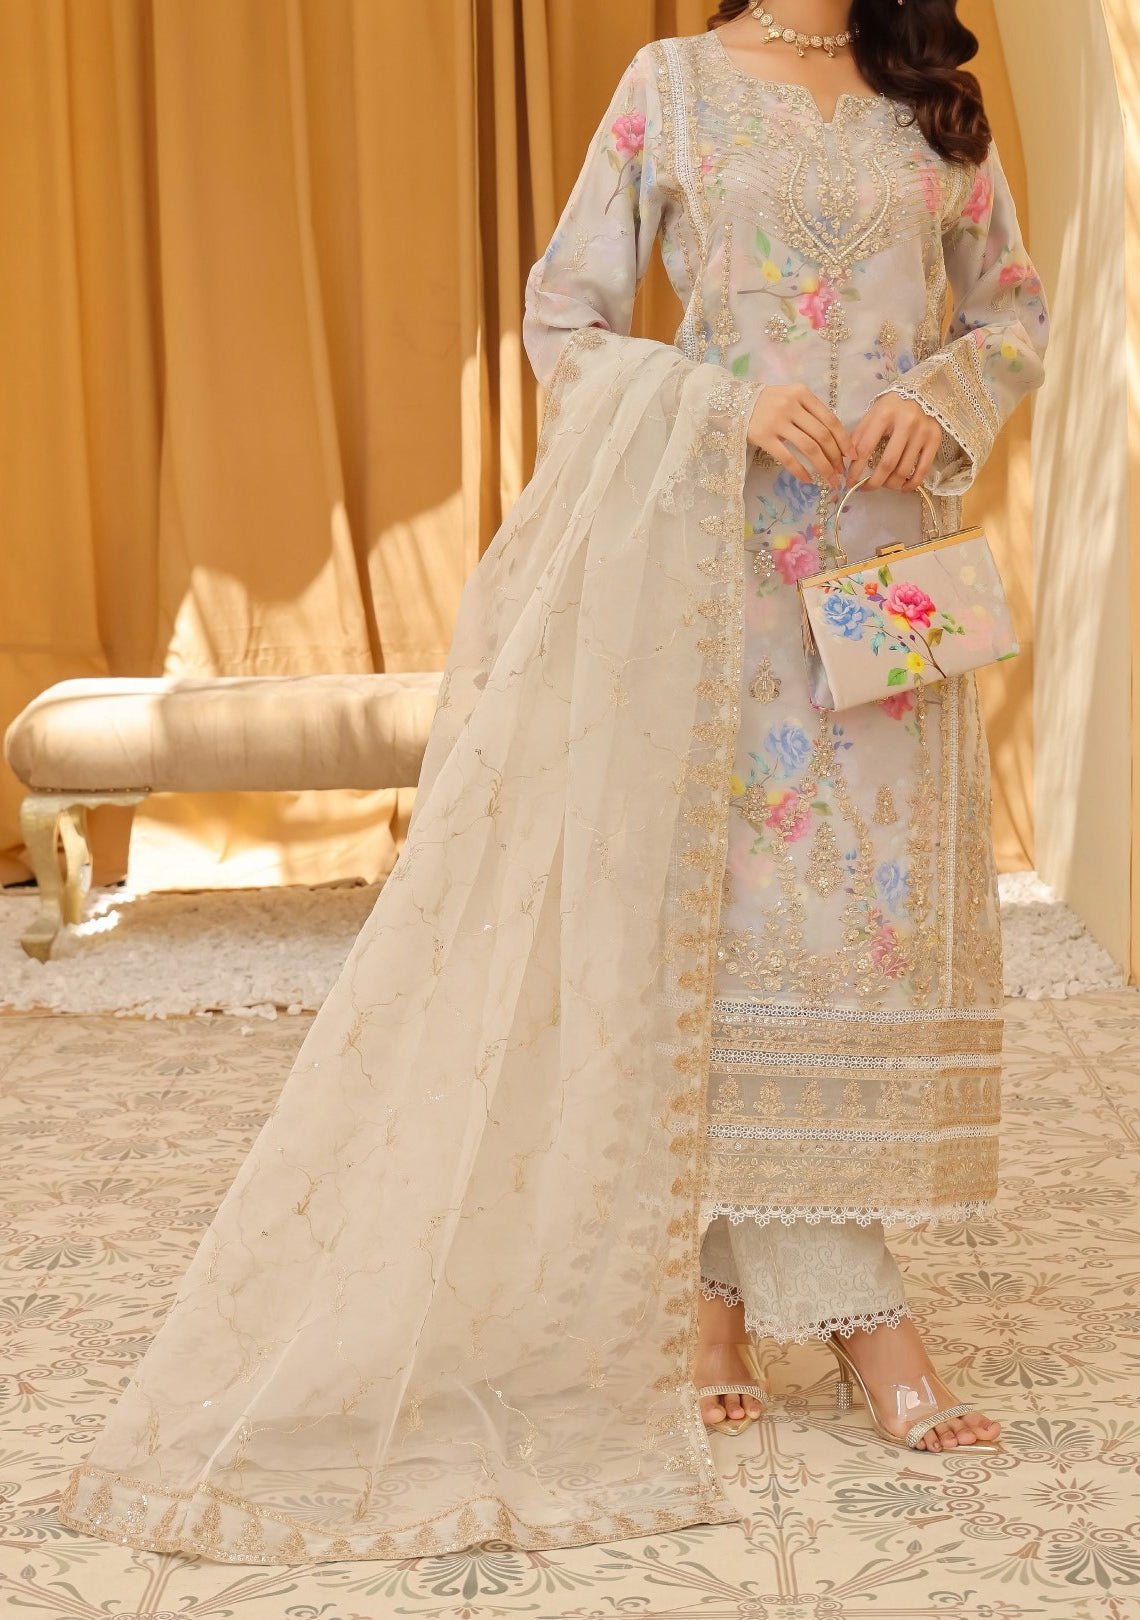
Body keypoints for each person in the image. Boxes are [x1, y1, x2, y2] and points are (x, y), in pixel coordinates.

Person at [59, 0, 1048, 1564]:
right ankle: (861, 1313)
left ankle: (713, 1291)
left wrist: (942, 399)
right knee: (714, 923)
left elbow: (1013, 314)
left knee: (848, 938)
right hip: (707, 571)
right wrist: (723, 402)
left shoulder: (926, 93)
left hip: (883, 574)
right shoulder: (672, 88)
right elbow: (566, 320)